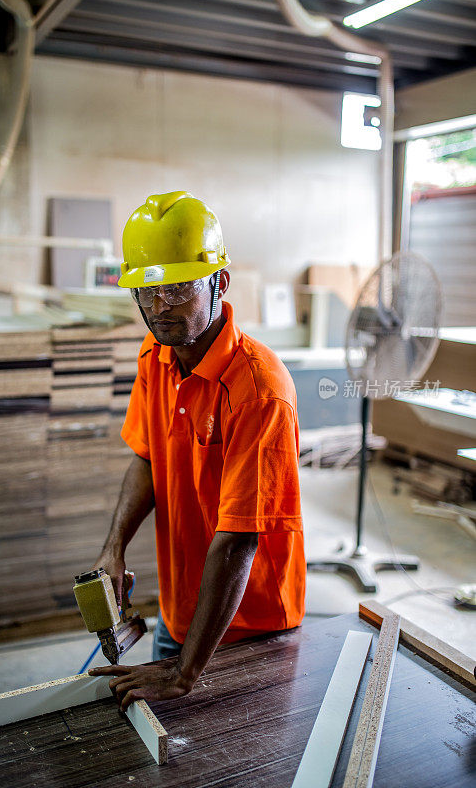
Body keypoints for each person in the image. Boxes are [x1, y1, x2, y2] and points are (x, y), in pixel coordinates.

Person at [89, 191, 305, 710]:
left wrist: (185, 673)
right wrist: (114, 547)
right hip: (179, 607)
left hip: (252, 628)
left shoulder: (259, 392)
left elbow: (238, 543)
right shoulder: (156, 354)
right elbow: (146, 456)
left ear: (219, 282)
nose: (159, 307)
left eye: (178, 288)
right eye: (147, 291)